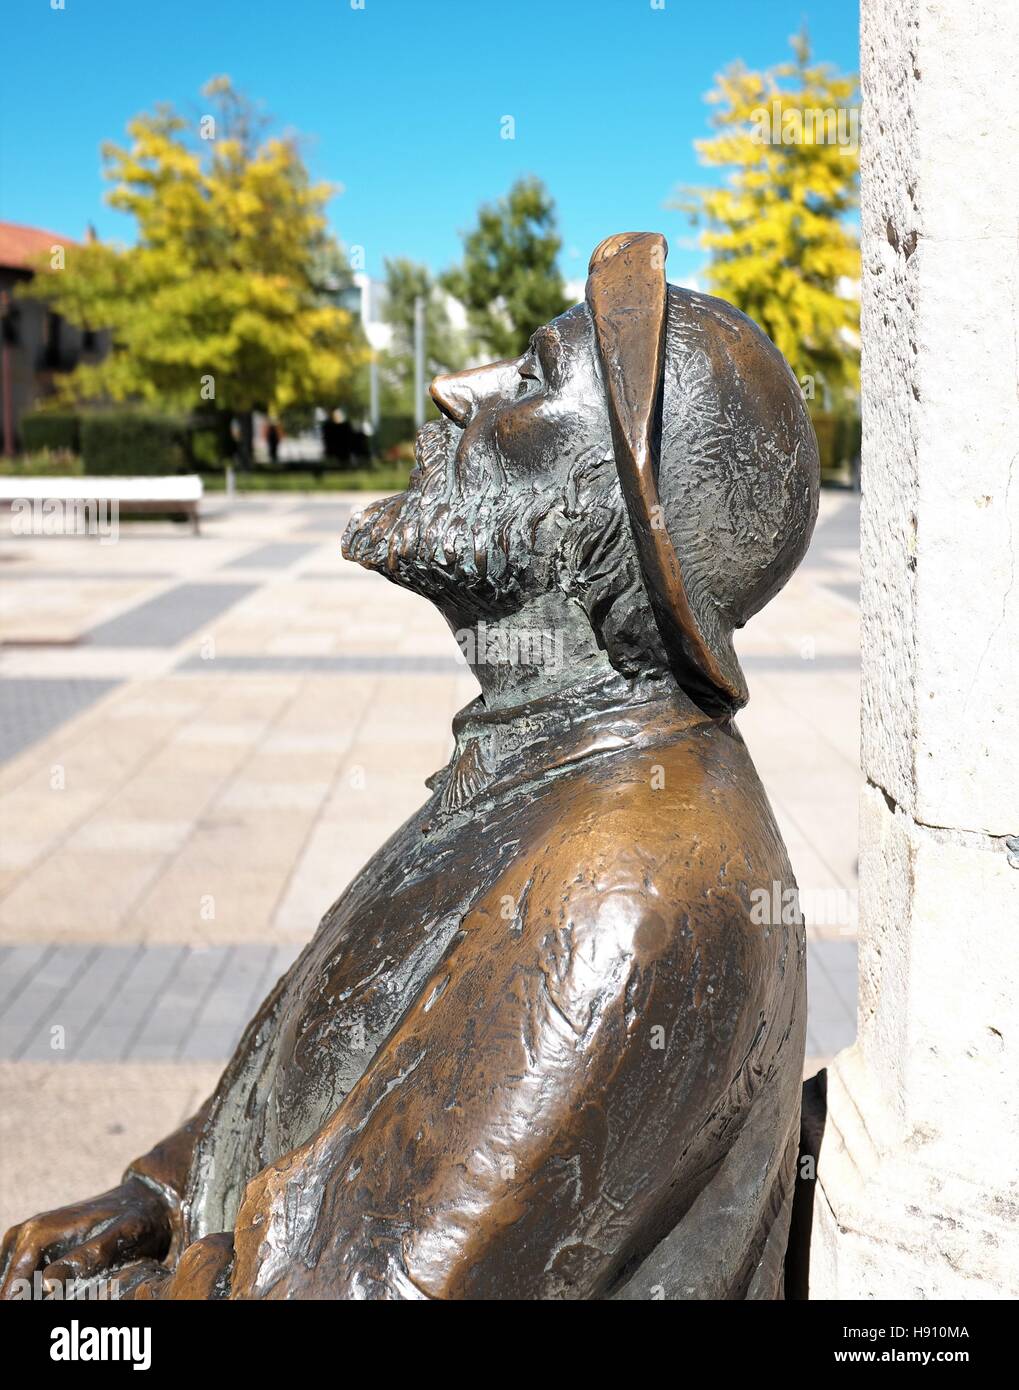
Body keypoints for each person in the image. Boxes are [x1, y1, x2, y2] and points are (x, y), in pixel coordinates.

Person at [0, 233, 818, 1300]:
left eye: (528, 377)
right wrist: (158, 1193)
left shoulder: (620, 891)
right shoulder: (539, 759)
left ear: (606, 515)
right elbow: (330, 1057)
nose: (452, 389)